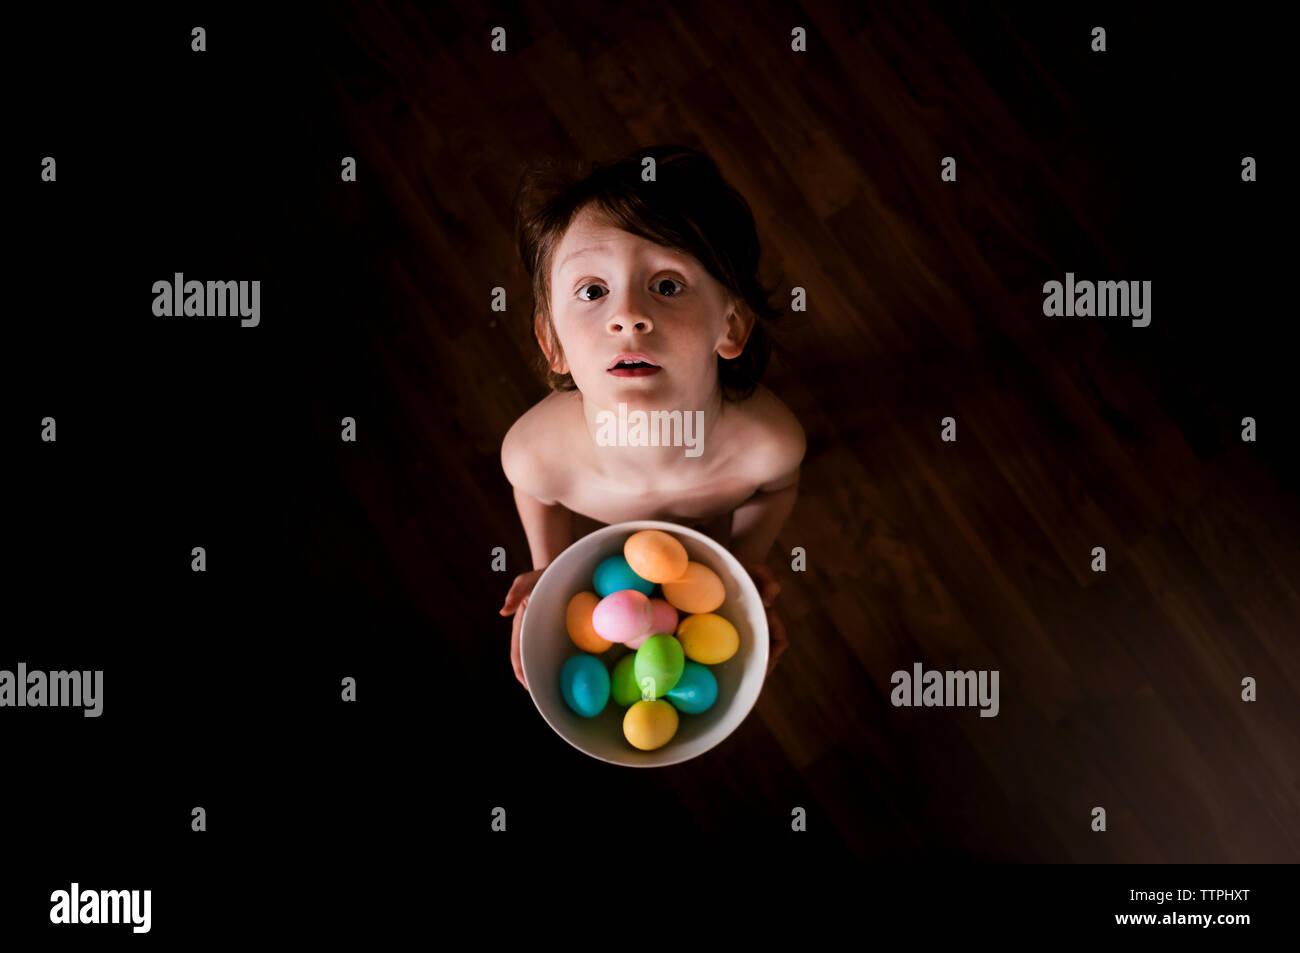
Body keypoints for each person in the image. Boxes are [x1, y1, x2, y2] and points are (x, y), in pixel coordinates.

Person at [499, 145, 805, 690]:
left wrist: (743, 565)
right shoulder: (536, 455)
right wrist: (546, 566)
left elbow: (775, 489)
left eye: (667, 285)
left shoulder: (768, 446)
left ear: (730, 325)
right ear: (554, 345)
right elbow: (535, 493)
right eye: (592, 291)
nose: (628, 317)